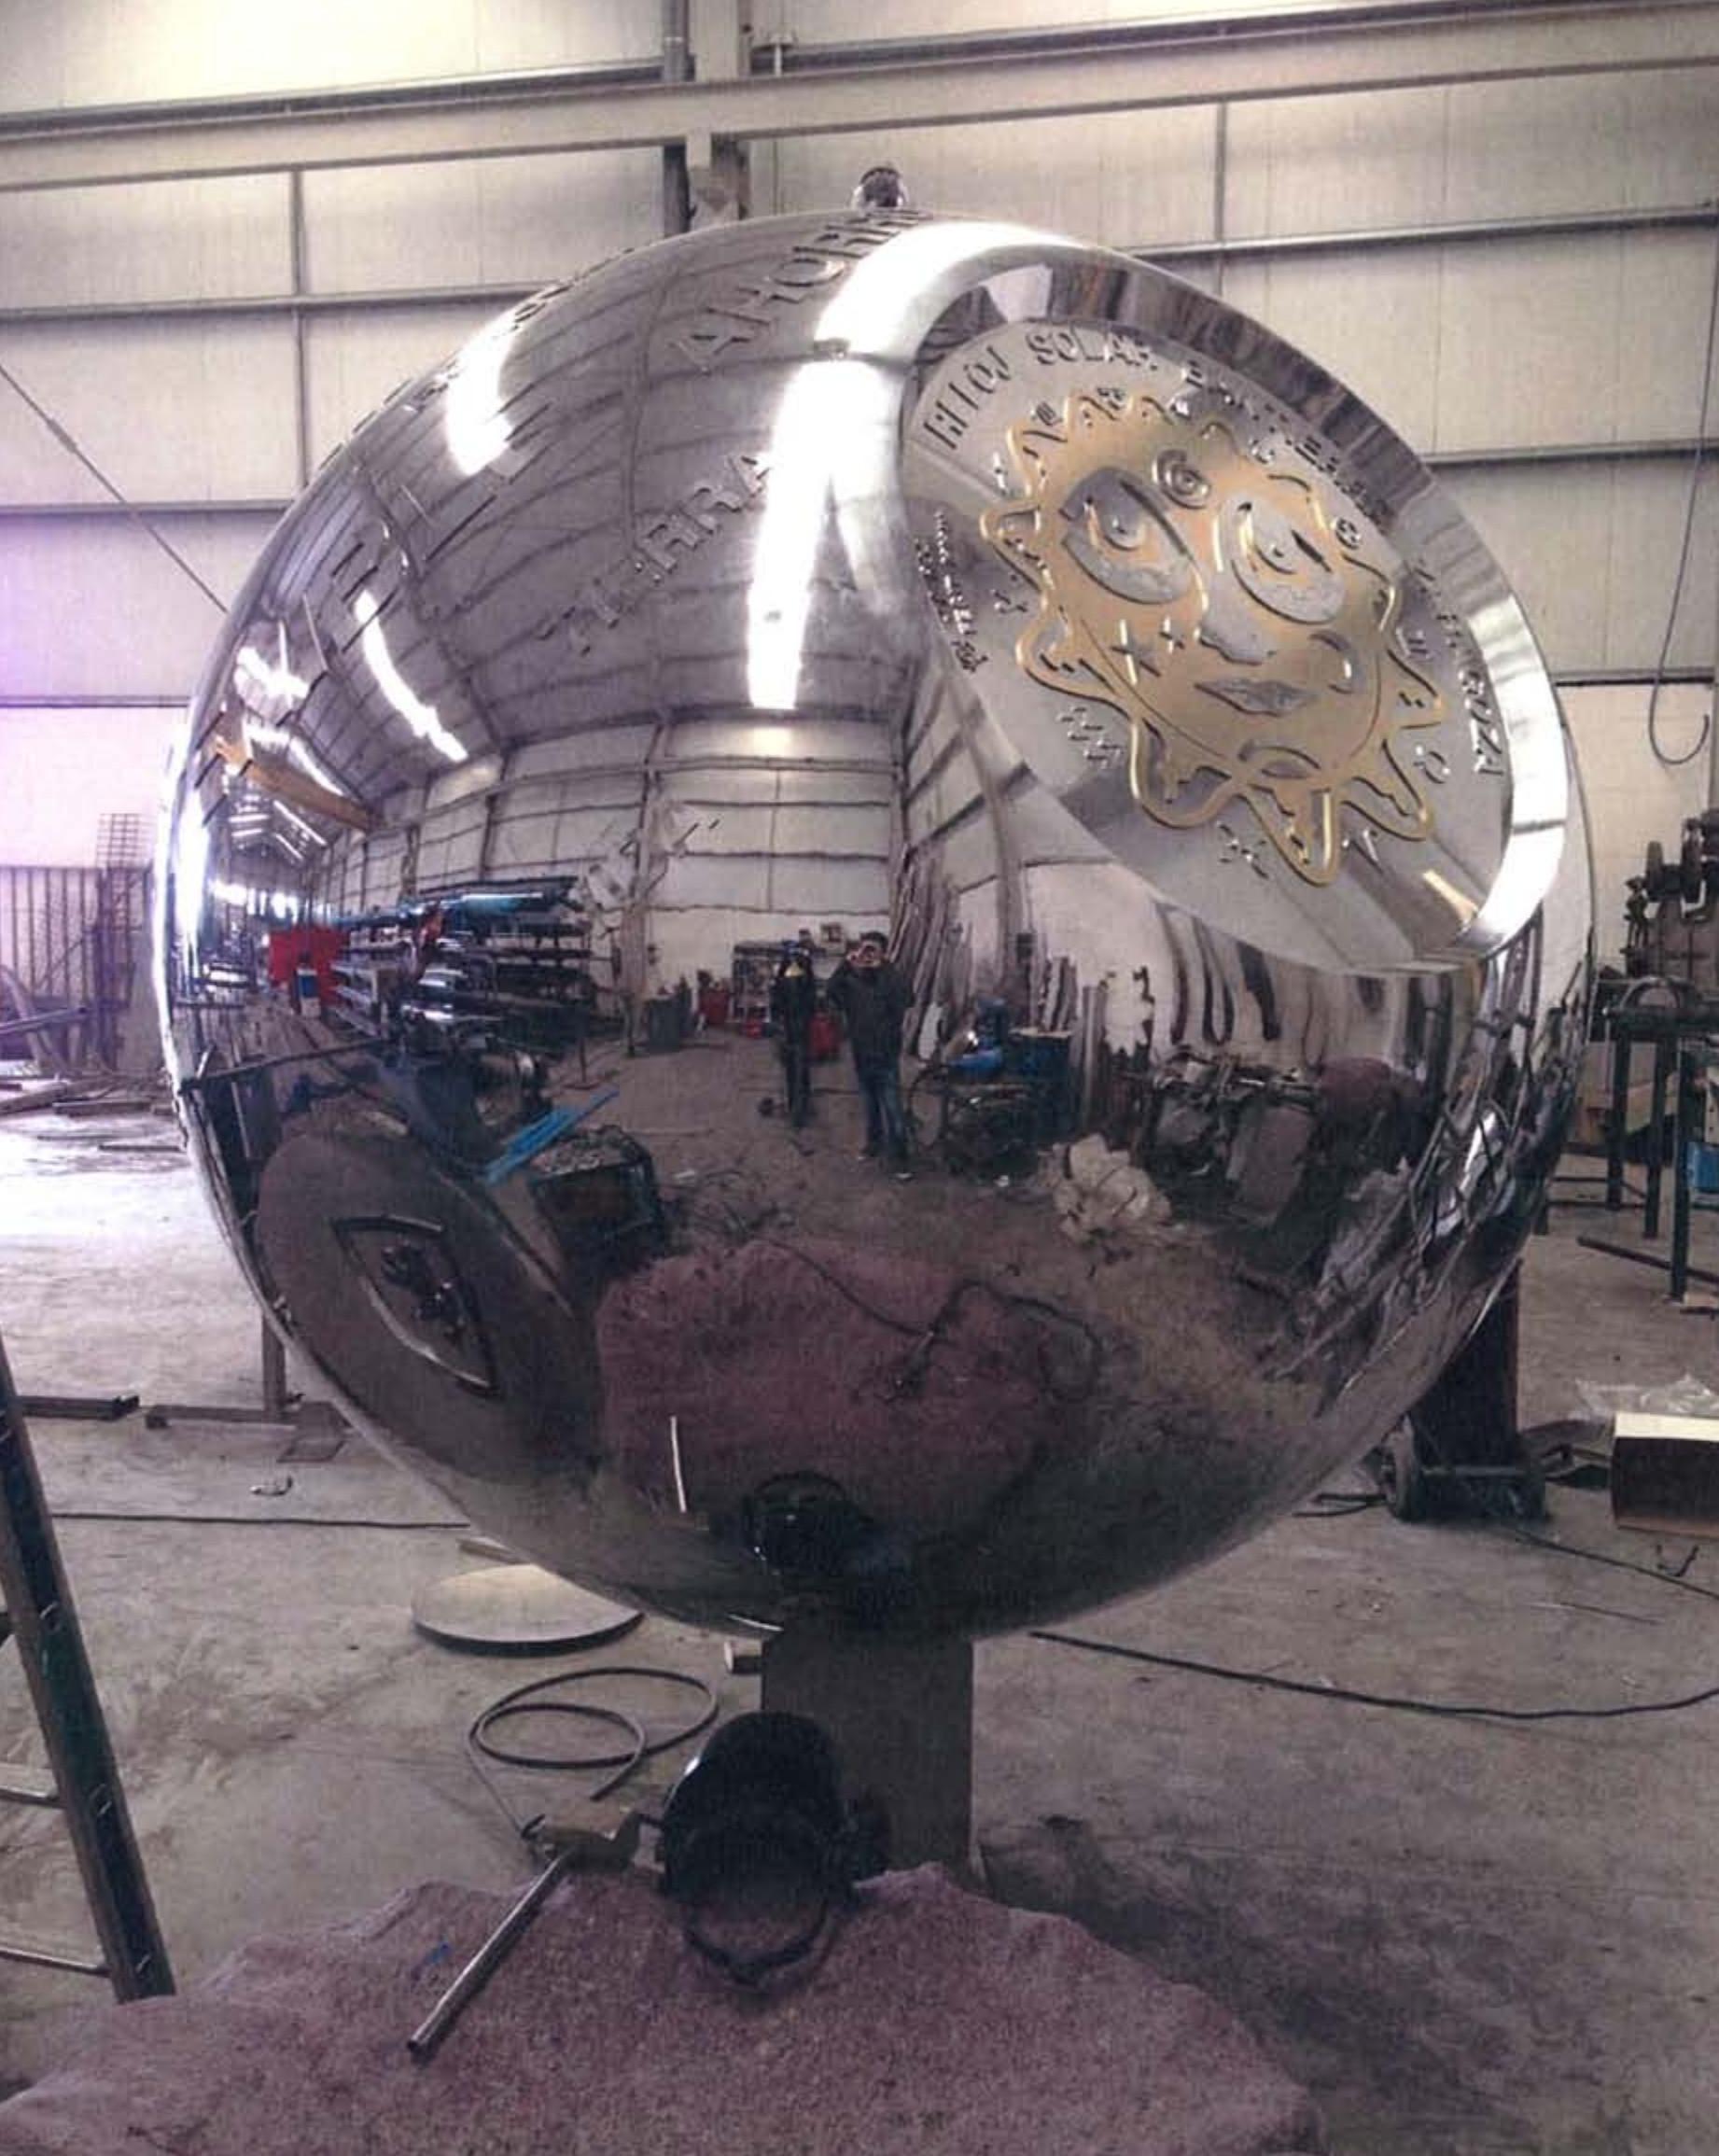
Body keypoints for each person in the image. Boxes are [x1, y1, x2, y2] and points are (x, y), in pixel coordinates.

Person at [826, 931, 913, 1172]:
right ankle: (873, 1144)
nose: (868, 954)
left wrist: (884, 968)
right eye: (865, 949)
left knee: (892, 1107)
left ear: (884, 953)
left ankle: (900, 1159)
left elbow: (908, 997)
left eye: (873, 949)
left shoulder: (892, 980)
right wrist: (845, 964)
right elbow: (831, 991)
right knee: (869, 1104)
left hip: (885, 1054)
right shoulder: (853, 983)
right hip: (862, 1054)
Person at [770, 934, 818, 1127]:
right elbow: (810, 999)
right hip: (797, 1027)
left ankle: (797, 1108)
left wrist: (778, 1021)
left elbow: (778, 998)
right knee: (799, 1068)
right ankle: (800, 1107)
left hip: (792, 1027)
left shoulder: (791, 968)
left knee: (795, 1068)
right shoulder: (799, 968)